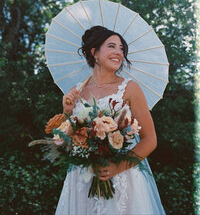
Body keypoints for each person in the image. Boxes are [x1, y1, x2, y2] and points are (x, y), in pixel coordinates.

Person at [55, 26, 166, 215]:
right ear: (94, 53)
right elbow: (60, 141)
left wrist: (117, 167)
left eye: (122, 49)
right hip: (82, 179)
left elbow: (150, 139)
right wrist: (66, 112)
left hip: (122, 178)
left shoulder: (130, 89)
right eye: (112, 46)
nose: (119, 53)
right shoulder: (77, 91)